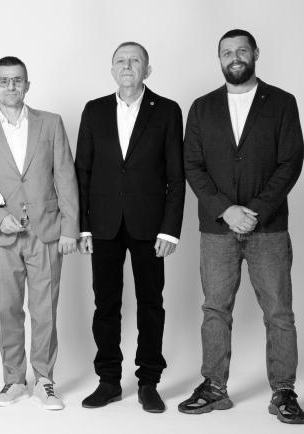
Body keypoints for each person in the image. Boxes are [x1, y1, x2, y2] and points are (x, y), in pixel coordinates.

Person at [179, 29, 304, 424]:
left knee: (279, 311)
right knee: (215, 308)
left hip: (269, 228)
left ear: (255, 54)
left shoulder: (282, 103)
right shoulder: (202, 107)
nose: (234, 57)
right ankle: (214, 387)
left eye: (241, 51)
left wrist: (254, 211)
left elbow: (291, 162)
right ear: (219, 59)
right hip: (217, 229)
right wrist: (225, 210)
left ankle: (284, 391)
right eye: (227, 52)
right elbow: (192, 165)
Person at [0, 56, 79, 411]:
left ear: (27, 85)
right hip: (1, 238)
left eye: (17, 80)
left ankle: (44, 380)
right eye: (3, 80)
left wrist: (70, 229)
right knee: (8, 309)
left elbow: (65, 177)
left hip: (46, 232)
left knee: (46, 310)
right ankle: (13, 380)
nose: (10, 86)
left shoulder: (51, 123)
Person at [75, 42, 184, 413]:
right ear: (112, 70)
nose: (127, 66)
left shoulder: (167, 110)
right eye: (120, 61)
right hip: (103, 225)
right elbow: (82, 171)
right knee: (105, 304)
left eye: (135, 60)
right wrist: (83, 226)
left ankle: (148, 382)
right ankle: (108, 381)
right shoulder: (94, 110)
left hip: (150, 226)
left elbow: (176, 175)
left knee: (151, 304)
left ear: (147, 70)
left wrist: (170, 229)